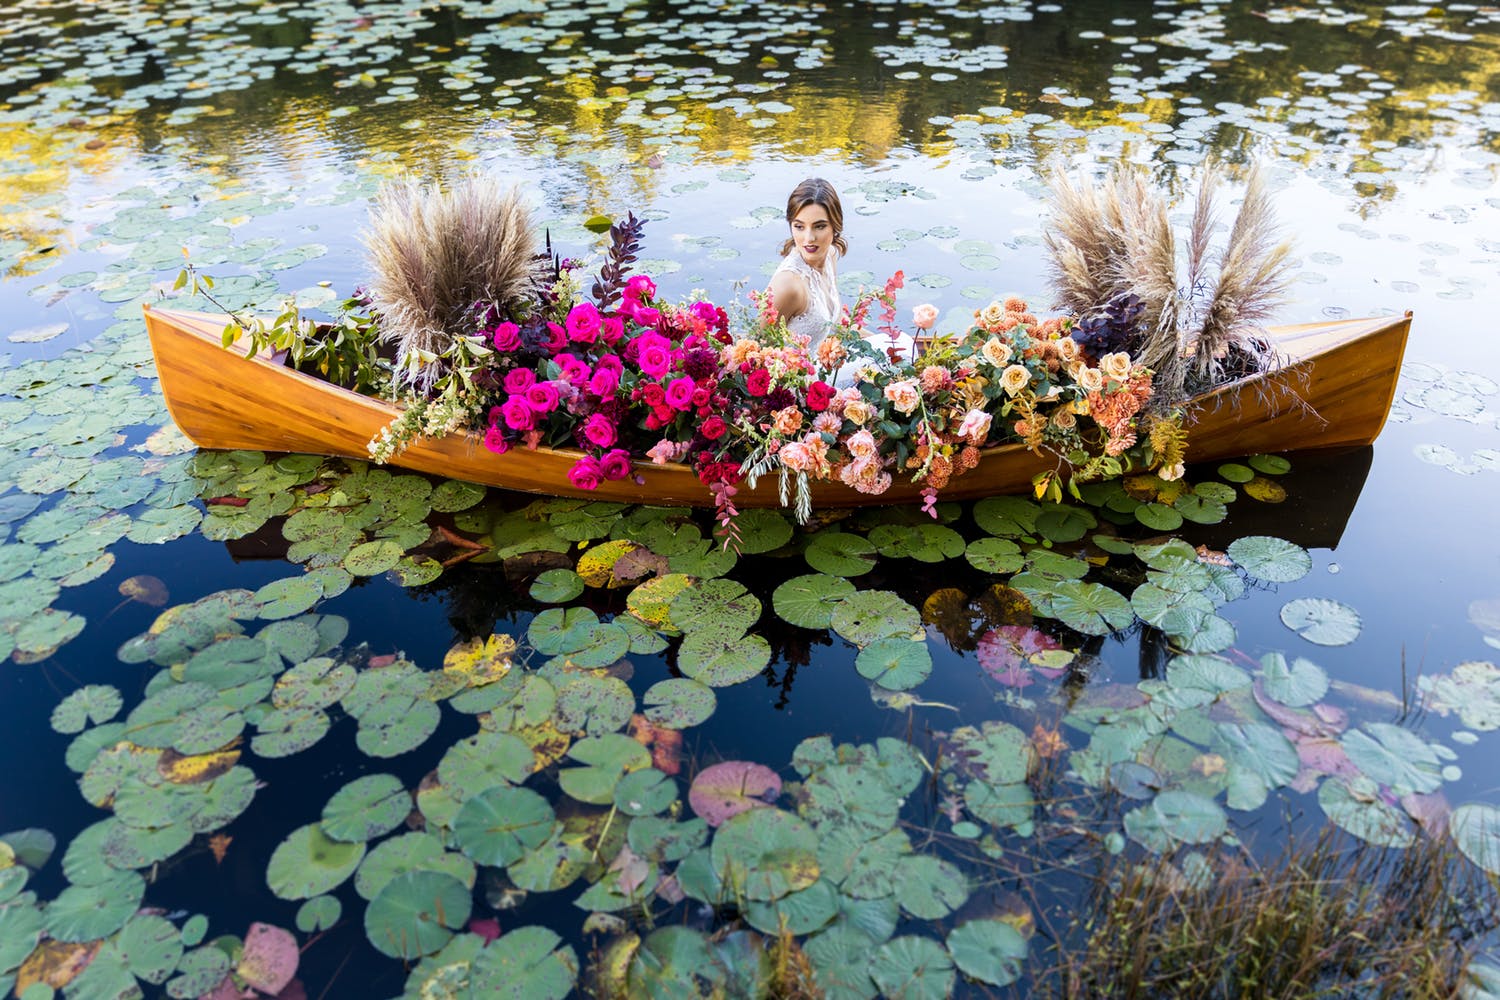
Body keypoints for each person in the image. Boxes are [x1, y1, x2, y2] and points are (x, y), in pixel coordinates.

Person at [766, 178, 913, 378]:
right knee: (904, 348)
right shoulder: (789, 285)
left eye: (819, 226)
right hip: (801, 383)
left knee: (902, 346)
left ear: (835, 226)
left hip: (829, 365)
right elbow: (759, 351)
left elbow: (837, 324)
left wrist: (879, 342)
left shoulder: (830, 256)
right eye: (799, 226)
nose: (808, 238)